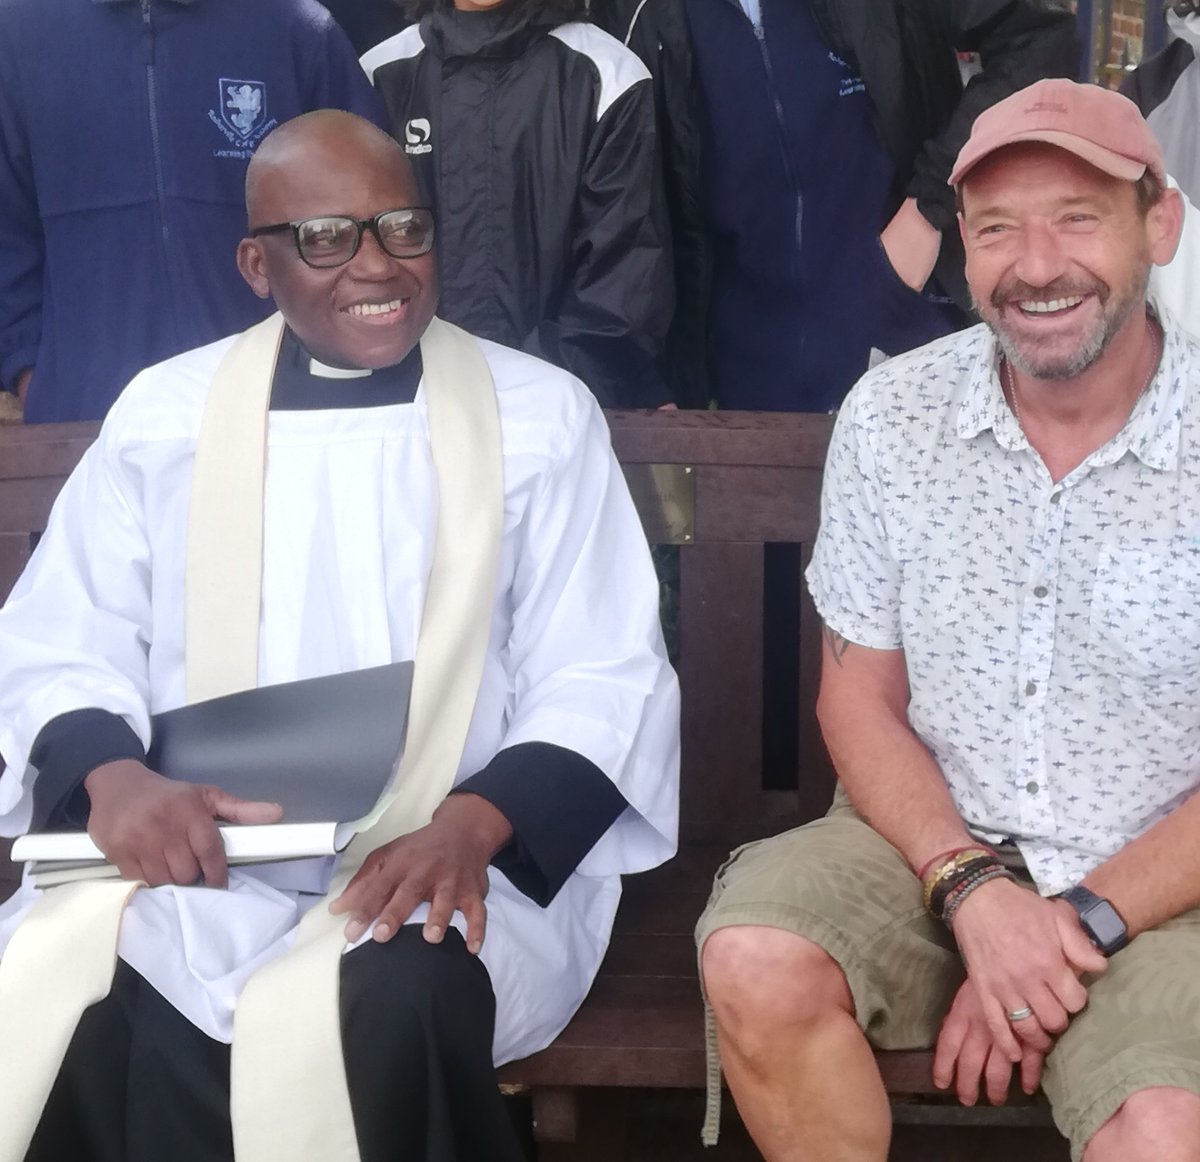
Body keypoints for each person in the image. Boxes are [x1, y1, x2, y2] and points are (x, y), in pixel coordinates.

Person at [0, 109, 679, 1161]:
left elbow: (603, 668)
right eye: (326, 238)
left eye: (405, 227)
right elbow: (65, 630)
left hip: (453, 863)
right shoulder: (166, 416)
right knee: (85, 986)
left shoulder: (540, 415)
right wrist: (114, 783)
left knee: (392, 994)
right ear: (255, 264)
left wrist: (474, 822)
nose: (380, 264)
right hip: (206, 857)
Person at [696, 79, 1200, 1162]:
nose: (1036, 265)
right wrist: (976, 892)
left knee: (1164, 1125)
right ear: (961, 248)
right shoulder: (895, 415)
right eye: (997, 228)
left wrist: (1062, 930)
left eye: (1077, 217)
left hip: (1167, 882)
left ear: (1158, 221)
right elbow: (858, 696)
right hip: (925, 841)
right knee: (755, 953)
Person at [592, 0, 1079, 412]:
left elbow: (1037, 38)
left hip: (917, 339)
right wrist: (641, 376)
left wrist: (930, 205)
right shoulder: (632, 9)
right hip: (744, 381)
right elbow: (611, 194)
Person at [0, 0, 387, 424]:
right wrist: (31, 371)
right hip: (86, 421)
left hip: (272, 415)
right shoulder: (18, 31)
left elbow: (371, 211)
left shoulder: (297, 29)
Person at [360, 0, 675, 408]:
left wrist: (516, 397)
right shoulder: (377, 75)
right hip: (407, 418)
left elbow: (621, 295)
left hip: (555, 420)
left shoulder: (608, 75)